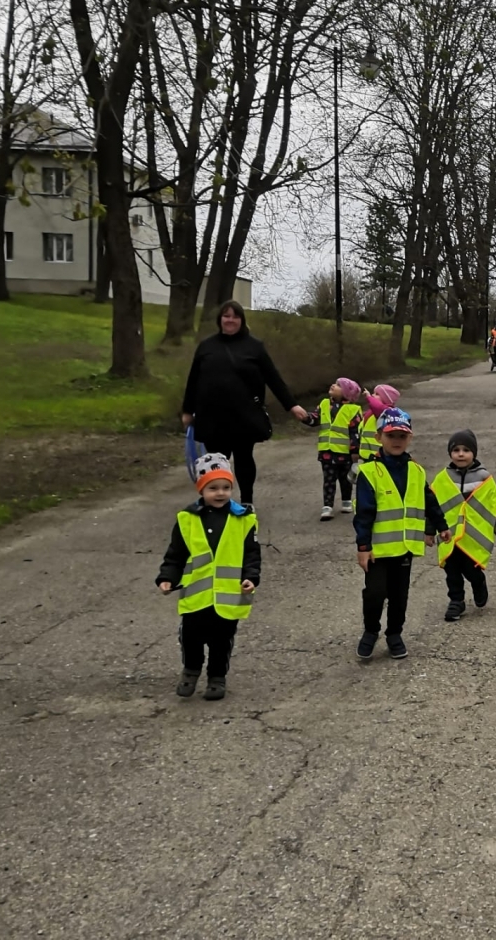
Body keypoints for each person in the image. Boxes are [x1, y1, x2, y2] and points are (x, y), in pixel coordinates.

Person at [180, 300, 309, 504]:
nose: (230, 320)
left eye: (235, 316)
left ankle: (247, 502)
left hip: (243, 416)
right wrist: (187, 411)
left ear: (241, 320)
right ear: (220, 319)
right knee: (216, 461)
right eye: (226, 316)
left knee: (244, 458)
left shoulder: (254, 347)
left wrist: (292, 405)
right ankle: (216, 503)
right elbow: (193, 380)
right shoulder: (206, 346)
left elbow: (272, 378)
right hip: (212, 416)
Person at [156, 453, 259, 701]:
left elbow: (251, 555)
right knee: (190, 636)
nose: (220, 493)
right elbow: (176, 554)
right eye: (213, 488)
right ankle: (191, 670)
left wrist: (251, 577)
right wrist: (167, 577)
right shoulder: (187, 519)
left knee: (221, 641)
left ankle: (216, 678)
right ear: (201, 489)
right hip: (196, 595)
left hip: (228, 595)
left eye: (226, 487)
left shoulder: (243, 519)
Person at [352, 408, 450, 661]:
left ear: (410, 438)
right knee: (374, 593)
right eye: (391, 435)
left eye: (402, 436)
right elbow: (363, 513)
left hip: (405, 548)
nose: (396, 440)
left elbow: (429, 501)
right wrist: (363, 547)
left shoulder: (416, 471)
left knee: (399, 595)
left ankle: (394, 634)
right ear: (379, 437)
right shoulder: (369, 472)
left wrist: (441, 526)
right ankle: (371, 631)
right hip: (378, 550)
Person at [431, 429, 496, 621]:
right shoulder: (442, 478)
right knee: (451, 570)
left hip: (471, 535)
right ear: (450, 453)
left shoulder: (484, 477)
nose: (461, 454)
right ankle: (456, 601)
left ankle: (479, 584)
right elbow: (433, 504)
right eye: (456, 450)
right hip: (449, 534)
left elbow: (493, 502)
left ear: (474, 453)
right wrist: (430, 530)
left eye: (466, 450)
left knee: (471, 569)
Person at [302, 377, 362, 520]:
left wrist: (355, 451)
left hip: (344, 453)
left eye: (338, 385)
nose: (333, 386)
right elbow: (315, 419)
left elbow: (356, 432)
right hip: (327, 451)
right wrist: (305, 417)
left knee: (345, 479)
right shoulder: (324, 404)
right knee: (329, 479)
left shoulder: (353, 410)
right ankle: (327, 506)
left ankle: (346, 501)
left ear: (346, 393)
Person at [357, 384, 402, 463]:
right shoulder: (372, 412)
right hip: (365, 454)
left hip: (377, 456)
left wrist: (368, 397)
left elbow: (377, 407)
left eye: (377, 394)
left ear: (386, 399)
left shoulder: (387, 411)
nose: (373, 395)